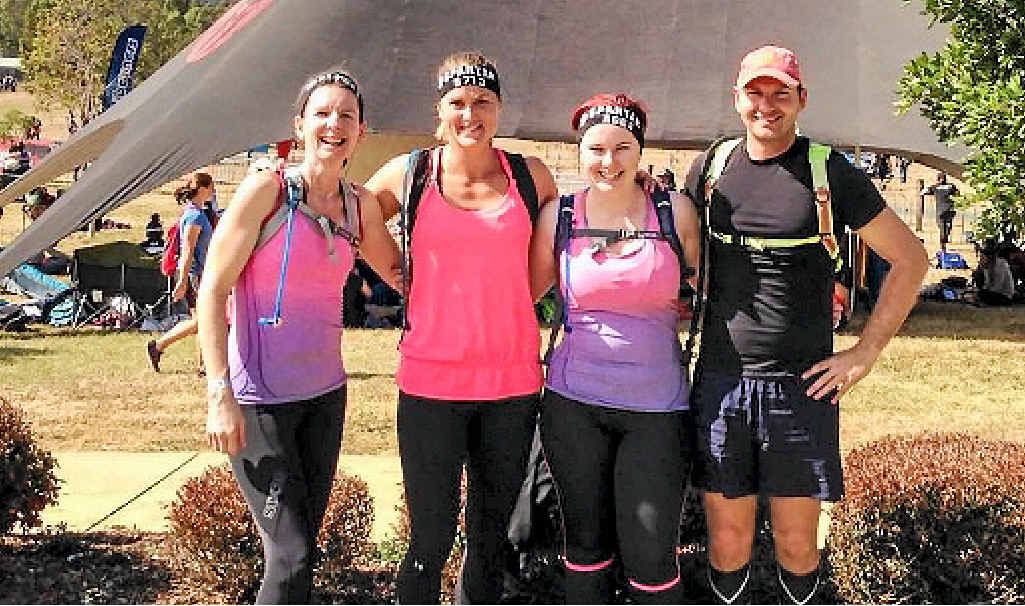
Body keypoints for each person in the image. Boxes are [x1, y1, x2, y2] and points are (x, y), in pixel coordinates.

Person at [682, 45, 928, 604]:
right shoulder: (712, 167)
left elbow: (910, 259)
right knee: (726, 542)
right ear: (736, 99)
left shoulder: (829, 171)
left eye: (780, 94)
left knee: (797, 545)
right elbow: (682, 246)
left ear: (801, 100)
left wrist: (864, 353)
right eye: (755, 93)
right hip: (721, 381)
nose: (766, 106)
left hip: (801, 386)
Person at [196, 68, 400, 604]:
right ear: (299, 125)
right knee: (290, 556)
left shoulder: (358, 207)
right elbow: (212, 291)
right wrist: (219, 394)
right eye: (323, 114)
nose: (334, 124)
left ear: (361, 132)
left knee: (302, 546)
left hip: (324, 398)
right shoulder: (266, 190)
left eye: (347, 116)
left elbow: (404, 276)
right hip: (260, 404)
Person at [365, 52, 558, 604]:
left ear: (499, 109)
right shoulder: (413, 173)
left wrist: (524, 294)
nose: (469, 114)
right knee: (429, 536)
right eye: (458, 103)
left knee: (490, 539)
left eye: (482, 103)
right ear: (440, 109)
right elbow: (355, 211)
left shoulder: (530, 175)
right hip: (431, 386)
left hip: (512, 385)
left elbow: (574, 218)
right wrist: (394, 272)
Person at [529, 93, 699, 604]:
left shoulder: (675, 212)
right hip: (573, 404)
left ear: (640, 152)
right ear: (579, 152)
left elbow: (715, 292)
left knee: (651, 557)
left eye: (623, 148)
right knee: (584, 550)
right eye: (597, 149)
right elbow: (522, 298)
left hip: (657, 408)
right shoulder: (557, 216)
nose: (609, 162)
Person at [146, 172, 215, 374]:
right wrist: (183, 281)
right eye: (211, 186)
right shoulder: (194, 216)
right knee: (203, 320)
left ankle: (162, 348)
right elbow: (187, 251)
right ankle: (160, 346)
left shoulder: (197, 213)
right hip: (195, 274)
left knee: (201, 321)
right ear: (202, 189)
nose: (213, 190)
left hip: (197, 273)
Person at [922, 172, 958, 251]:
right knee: (947, 228)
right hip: (949, 210)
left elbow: (924, 191)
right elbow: (957, 193)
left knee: (942, 228)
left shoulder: (935, 187)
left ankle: (943, 245)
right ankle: (944, 243)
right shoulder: (951, 186)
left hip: (940, 212)